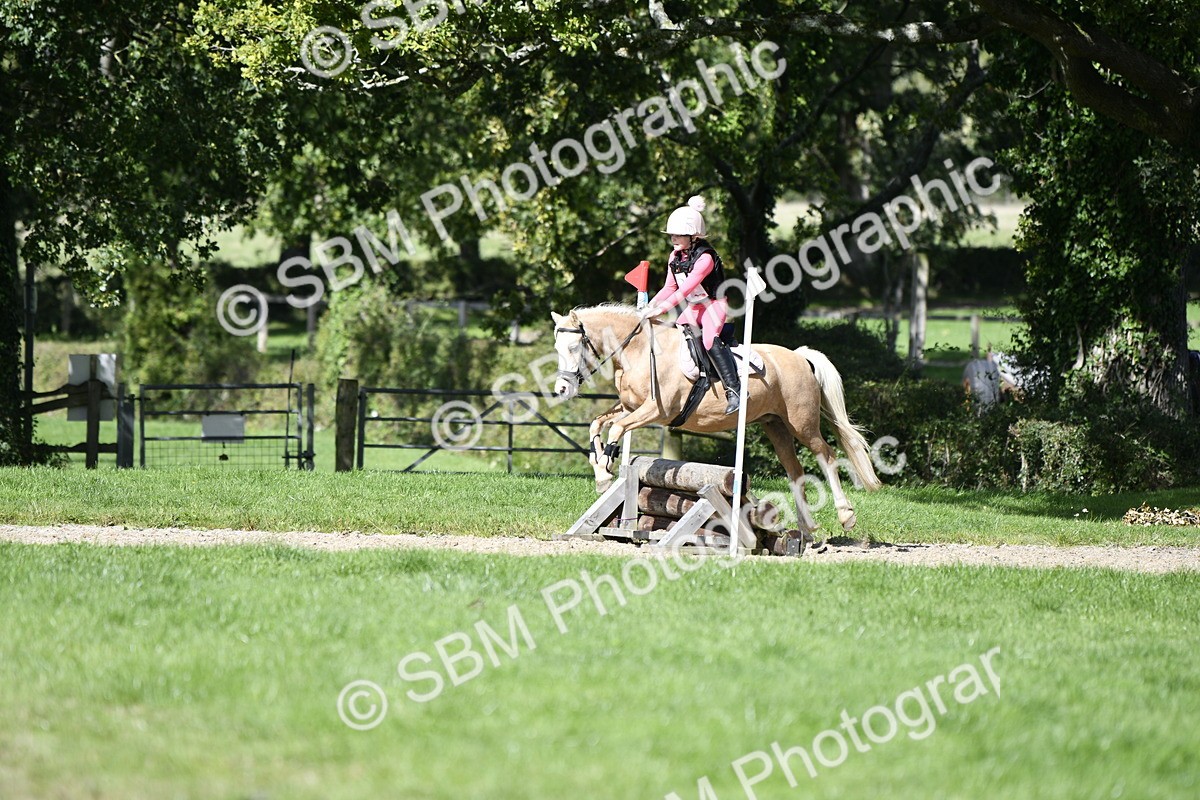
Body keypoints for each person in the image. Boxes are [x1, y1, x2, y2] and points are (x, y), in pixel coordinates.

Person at [642, 195, 740, 414]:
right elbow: (669, 287)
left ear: (693, 235)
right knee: (677, 332)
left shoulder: (705, 258)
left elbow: (685, 289)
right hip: (695, 307)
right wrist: (650, 305)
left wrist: (663, 309)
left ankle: (734, 390)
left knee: (707, 339)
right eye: (672, 235)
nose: (673, 239)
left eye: (678, 235)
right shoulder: (674, 257)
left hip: (713, 305)